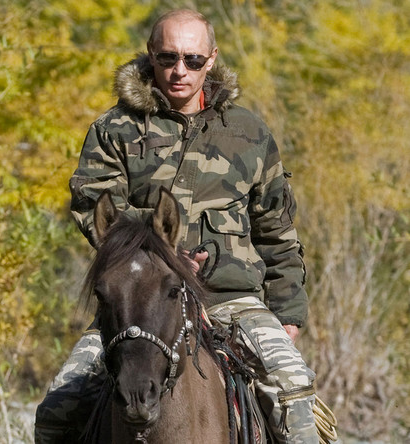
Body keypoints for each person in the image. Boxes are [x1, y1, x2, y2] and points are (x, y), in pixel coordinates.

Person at [35, 8, 319, 444]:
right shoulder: (115, 129)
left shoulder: (249, 132)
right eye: (167, 58)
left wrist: (288, 313)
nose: (179, 70)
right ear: (151, 55)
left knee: (294, 397)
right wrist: (161, 257)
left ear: (211, 59)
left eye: (192, 59)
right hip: (140, 304)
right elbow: (97, 208)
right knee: (57, 410)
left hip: (232, 300)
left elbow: (276, 228)